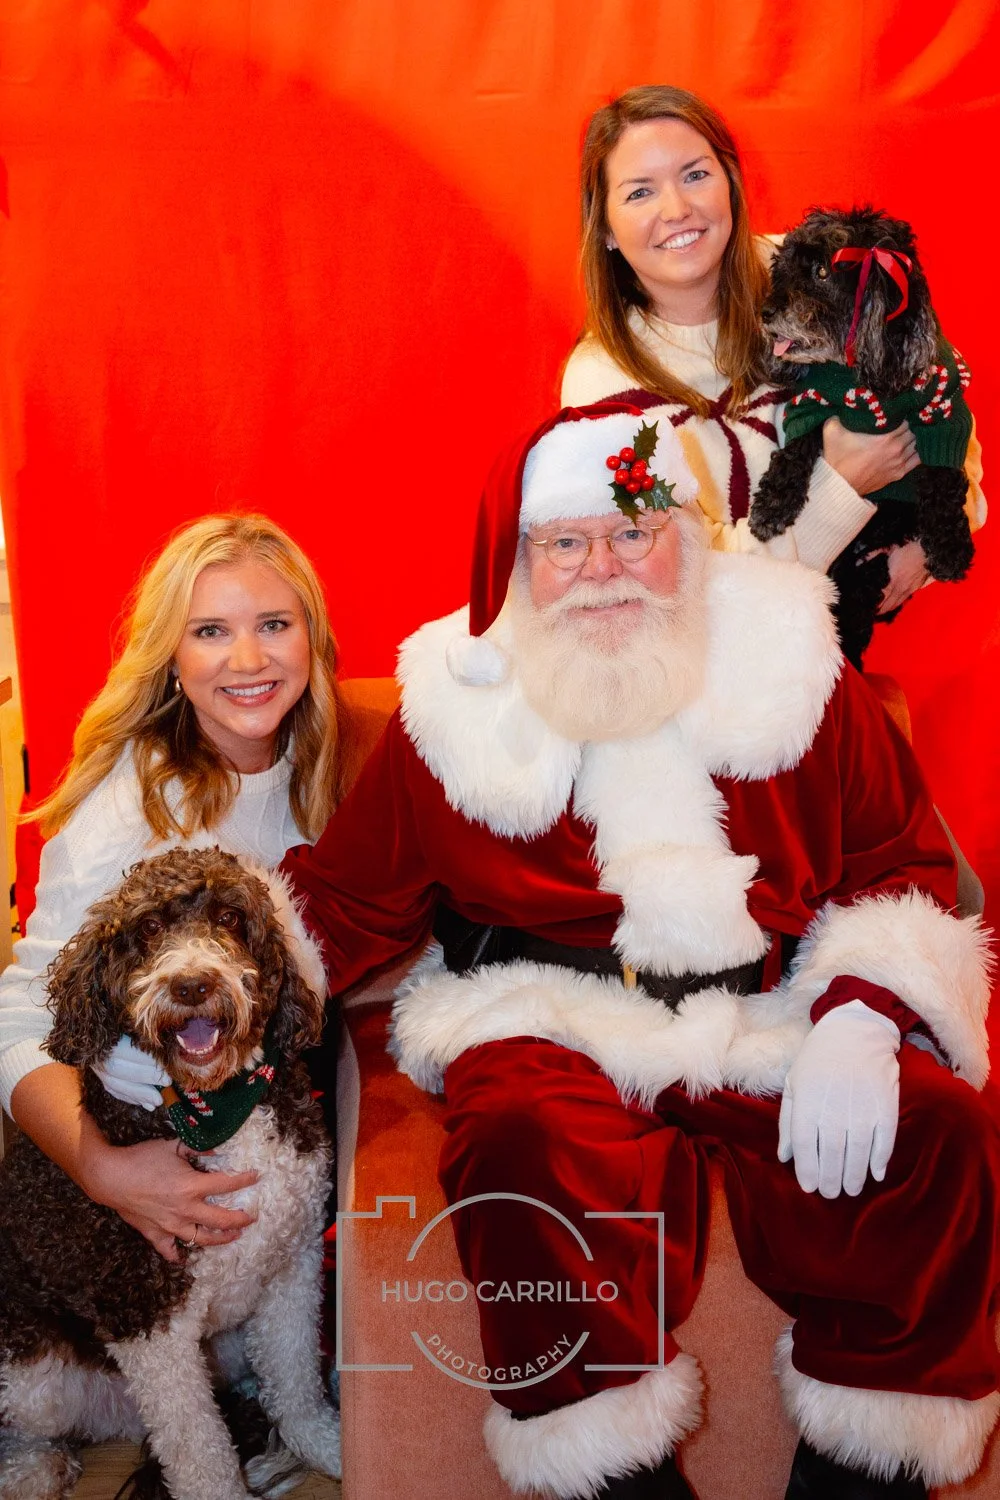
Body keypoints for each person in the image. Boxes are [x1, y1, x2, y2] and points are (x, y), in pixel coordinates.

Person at [281, 403, 998, 1500]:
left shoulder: (795, 663)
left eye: (633, 530)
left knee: (938, 1131)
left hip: (768, 1004)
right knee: (518, 1143)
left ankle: (863, 1481)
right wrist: (194, 1000)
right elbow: (339, 902)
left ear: (688, 533)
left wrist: (861, 1009)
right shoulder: (454, 701)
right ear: (523, 558)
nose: (603, 567)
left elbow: (895, 856)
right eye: (566, 543)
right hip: (546, 1014)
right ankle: (616, 1489)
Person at [0, 512, 343, 1263]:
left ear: (311, 640)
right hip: (146, 1165)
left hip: (273, 1141)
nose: (248, 658)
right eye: (211, 631)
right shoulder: (132, 807)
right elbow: (19, 1017)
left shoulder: (321, 775)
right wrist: (102, 1169)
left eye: (274, 623)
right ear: (171, 657)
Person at [560, 85, 986, 617]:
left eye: (696, 175)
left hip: (830, 641)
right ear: (604, 228)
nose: (677, 209)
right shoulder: (598, 386)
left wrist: (923, 545)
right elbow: (679, 580)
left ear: (731, 184)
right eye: (639, 193)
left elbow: (941, 401)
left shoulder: (809, 268)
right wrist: (842, 485)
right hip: (706, 667)